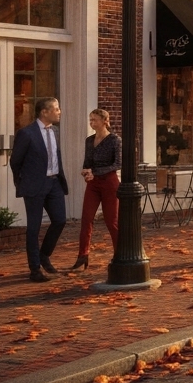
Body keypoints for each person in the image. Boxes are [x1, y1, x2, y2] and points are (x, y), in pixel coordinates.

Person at [9, 97, 68, 282]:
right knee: (33, 228)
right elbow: (15, 161)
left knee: (59, 220)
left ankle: (44, 255)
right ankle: (35, 269)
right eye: (56, 109)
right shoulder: (27, 133)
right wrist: (23, 182)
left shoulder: (55, 131)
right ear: (44, 112)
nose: (59, 112)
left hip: (54, 184)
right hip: (34, 186)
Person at [71, 108, 119, 272]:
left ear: (105, 121)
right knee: (86, 219)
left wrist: (95, 172)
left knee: (111, 221)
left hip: (109, 182)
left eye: (95, 120)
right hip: (93, 184)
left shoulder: (114, 140)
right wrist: (86, 172)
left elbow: (117, 164)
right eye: (90, 120)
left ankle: (119, 254)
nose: (92, 123)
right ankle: (83, 255)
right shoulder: (89, 140)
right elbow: (87, 162)